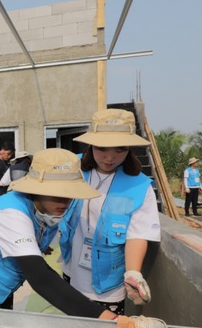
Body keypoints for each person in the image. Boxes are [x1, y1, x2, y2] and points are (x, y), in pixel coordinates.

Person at [0, 148, 119, 320]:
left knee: (3, 323)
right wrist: (104, 316)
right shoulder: (10, 213)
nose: (65, 201)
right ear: (36, 189)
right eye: (57, 193)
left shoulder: (45, 209)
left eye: (70, 194)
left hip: (3, 277)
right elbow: (41, 278)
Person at [58, 109, 161, 316]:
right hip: (71, 269)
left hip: (107, 284)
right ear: (91, 144)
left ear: (129, 149)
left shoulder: (140, 187)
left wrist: (133, 272)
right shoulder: (72, 170)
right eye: (102, 148)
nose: (110, 157)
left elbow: (138, 234)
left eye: (120, 149)